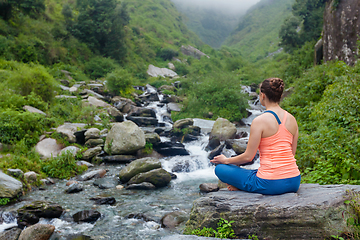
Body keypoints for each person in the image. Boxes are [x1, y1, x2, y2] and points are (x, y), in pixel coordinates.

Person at [210, 78, 301, 195]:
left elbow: (248, 157)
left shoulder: (260, 121)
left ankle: (242, 186)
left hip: (271, 183)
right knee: (255, 172)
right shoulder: (292, 119)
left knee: (220, 169)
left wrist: (226, 160)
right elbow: (291, 154)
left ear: (262, 95)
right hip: (294, 180)